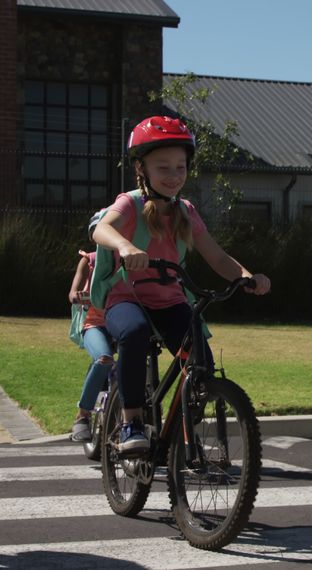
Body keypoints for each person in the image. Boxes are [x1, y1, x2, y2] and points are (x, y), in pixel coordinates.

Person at [91, 115, 271, 455]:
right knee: (133, 332)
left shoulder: (185, 211)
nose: (174, 176)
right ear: (142, 169)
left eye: (181, 167)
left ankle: (182, 432)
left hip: (170, 300)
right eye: (164, 168)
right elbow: (100, 229)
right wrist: (126, 247)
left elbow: (217, 258)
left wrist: (247, 276)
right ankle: (131, 421)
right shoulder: (129, 203)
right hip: (127, 299)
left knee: (200, 359)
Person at [67, 248, 112, 442]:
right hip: (96, 324)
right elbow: (73, 293)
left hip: (123, 322)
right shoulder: (90, 260)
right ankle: (83, 415)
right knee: (103, 359)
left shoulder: (134, 257)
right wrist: (78, 295)